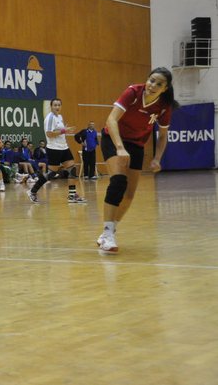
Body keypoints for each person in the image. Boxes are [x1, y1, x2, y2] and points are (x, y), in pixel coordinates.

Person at [96, 68, 177, 254]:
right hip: (113, 138)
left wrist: (157, 158)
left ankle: (110, 230)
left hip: (136, 145)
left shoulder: (164, 106)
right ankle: (107, 234)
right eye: (151, 80)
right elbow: (111, 119)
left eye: (159, 84)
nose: (153, 85)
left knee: (129, 195)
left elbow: (162, 135)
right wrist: (119, 147)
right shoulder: (133, 92)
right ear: (147, 79)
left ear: (165, 88)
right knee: (118, 181)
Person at [27, 99, 86, 204]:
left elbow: (59, 131)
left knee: (72, 169)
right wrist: (64, 130)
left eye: (59, 105)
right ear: (51, 106)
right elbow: (49, 134)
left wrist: (65, 130)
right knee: (51, 173)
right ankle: (32, 191)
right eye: (55, 105)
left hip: (64, 147)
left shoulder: (60, 117)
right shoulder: (50, 118)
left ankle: (72, 195)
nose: (57, 107)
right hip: (54, 149)